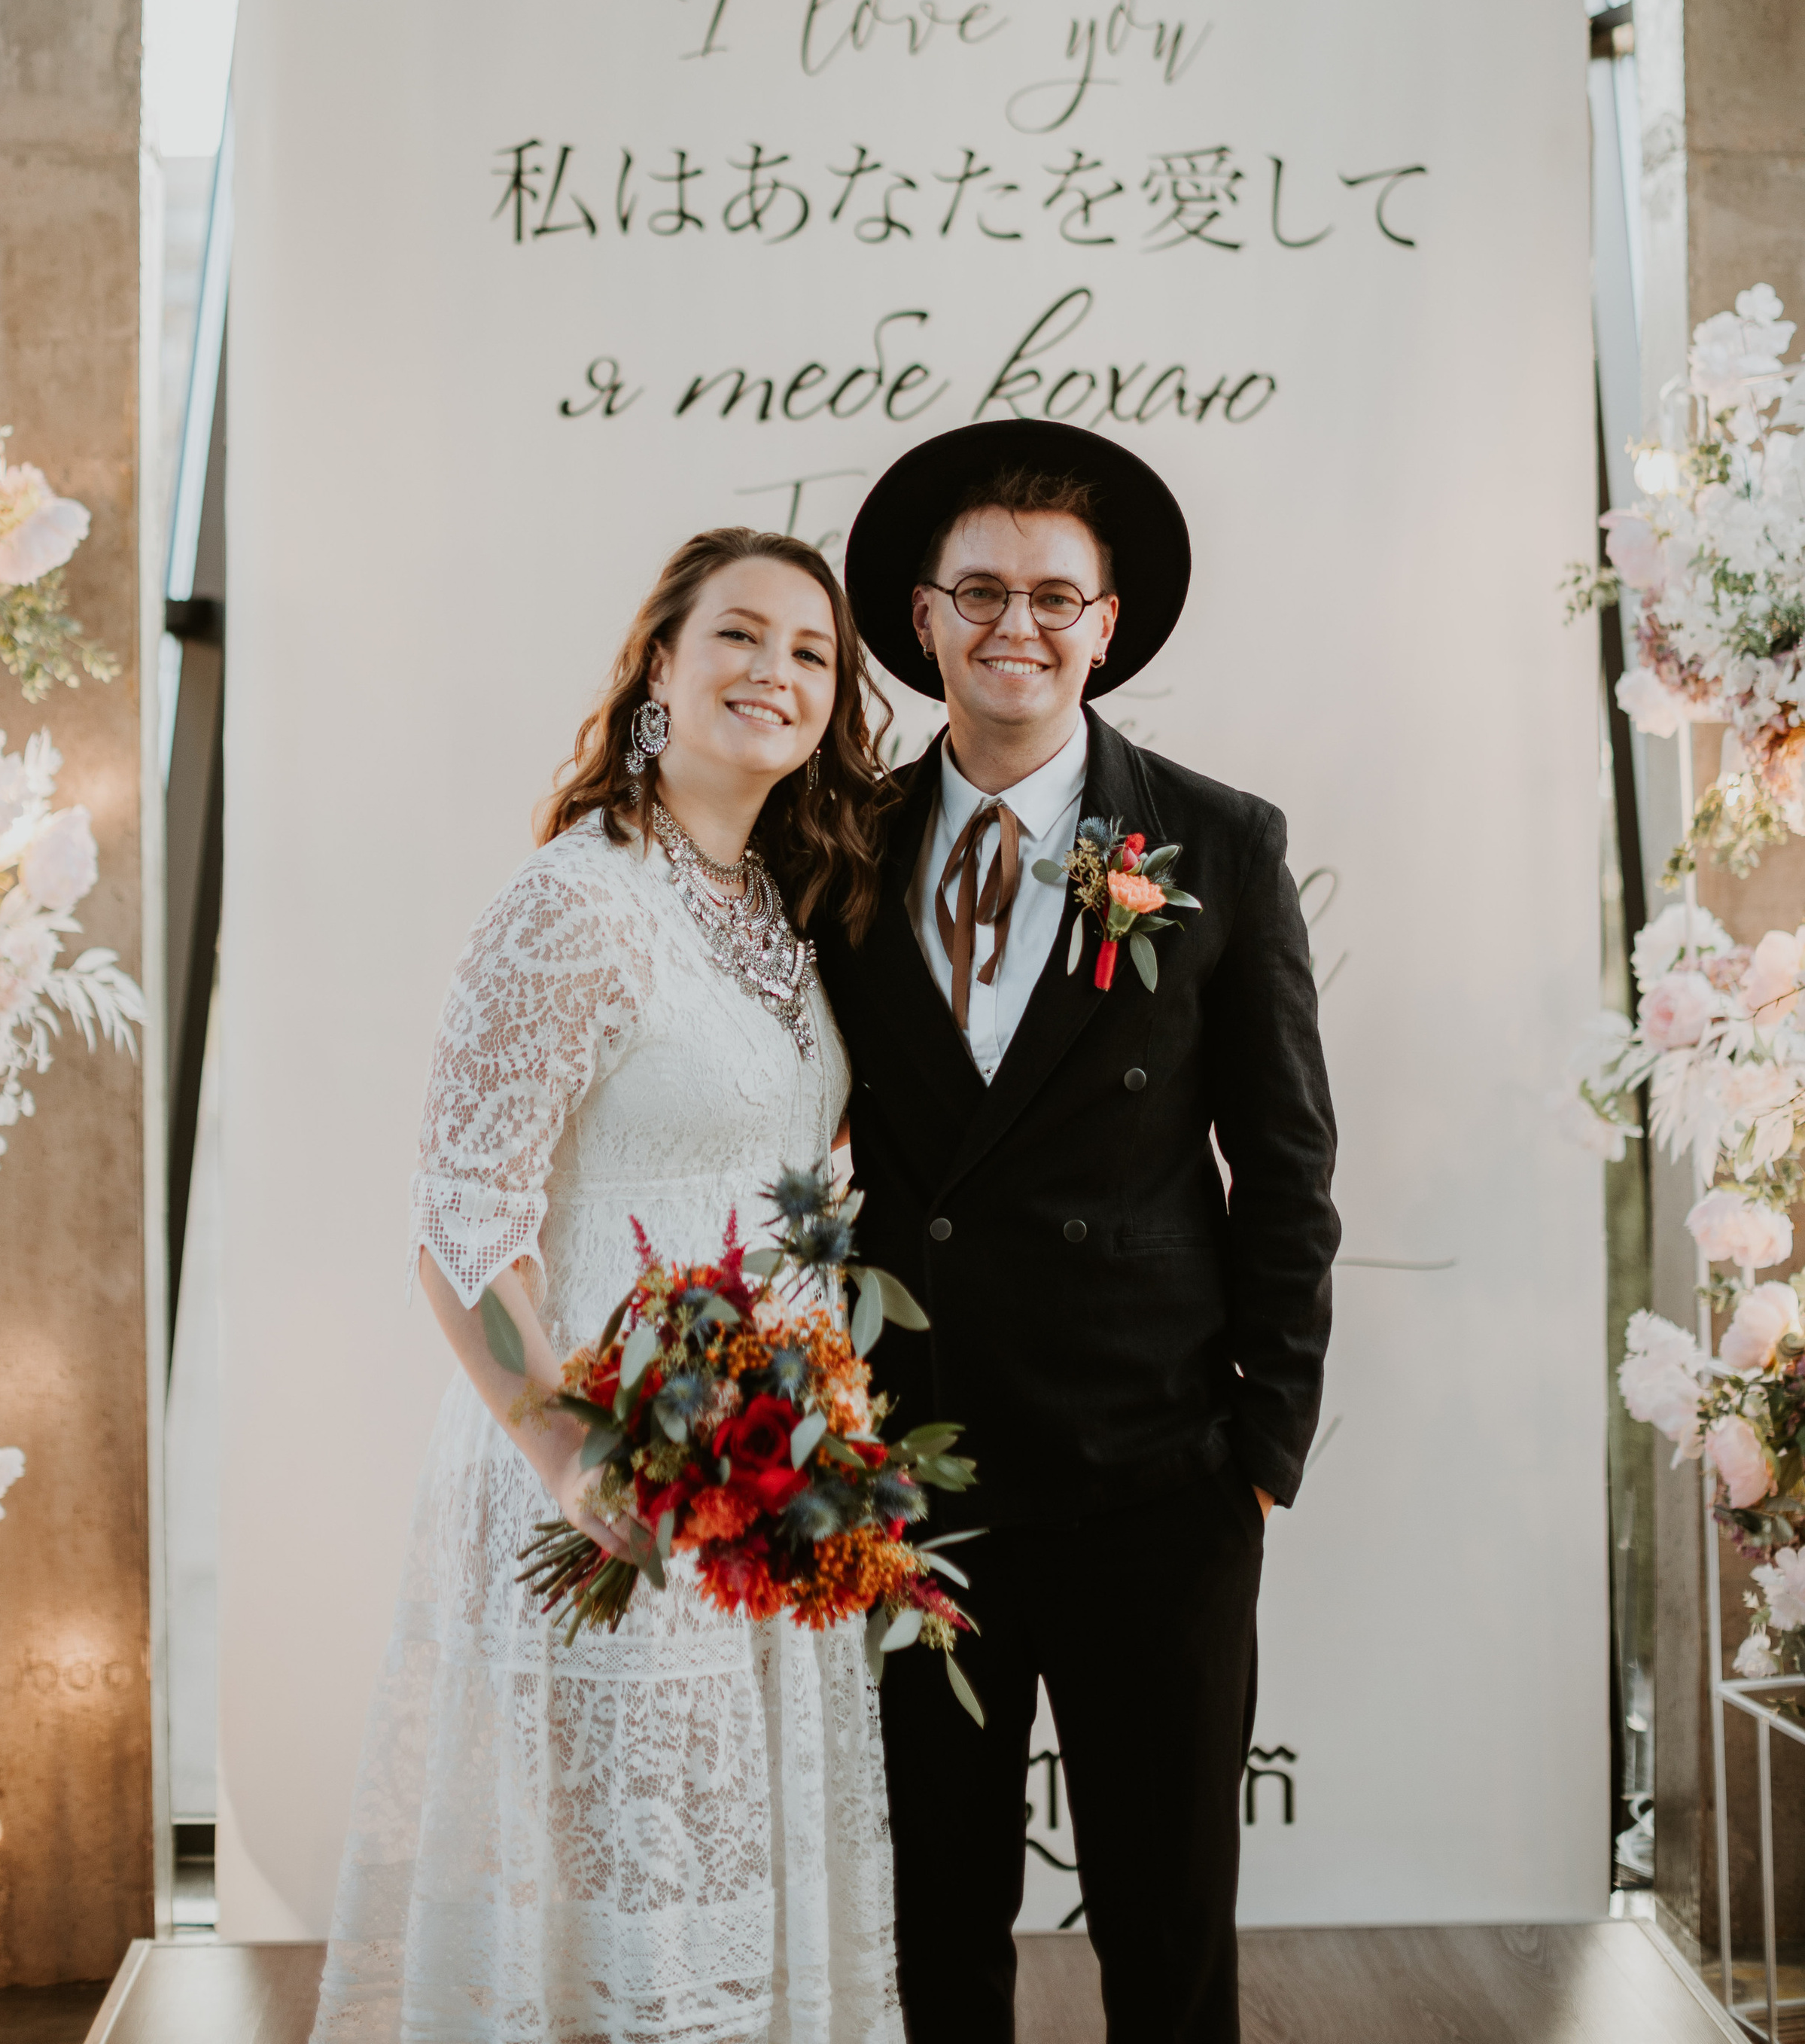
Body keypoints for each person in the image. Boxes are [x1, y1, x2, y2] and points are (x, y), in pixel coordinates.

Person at [311, 528, 902, 2044]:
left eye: (811, 654)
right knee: (612, 1906)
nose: (776, 672)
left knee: (730, 1886)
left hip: (769, 1481)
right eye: (739, 637)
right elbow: (459, 1224)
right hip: (610, 1476)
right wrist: (569, 1461)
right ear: (658, 666)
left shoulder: (779, 907)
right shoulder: (574, 904)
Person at [817, 422, 1340, 2044]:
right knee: (935, 1912)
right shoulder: (829, 850)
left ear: (1105, 625)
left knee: (1165, 1915)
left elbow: (1287, 1169)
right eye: (979, 592)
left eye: (1054, 595)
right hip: (912, 1476)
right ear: (922, 620)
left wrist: (1260, 1444)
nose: (1014, 627)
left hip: (1155, 1480)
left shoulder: (1218, 844)